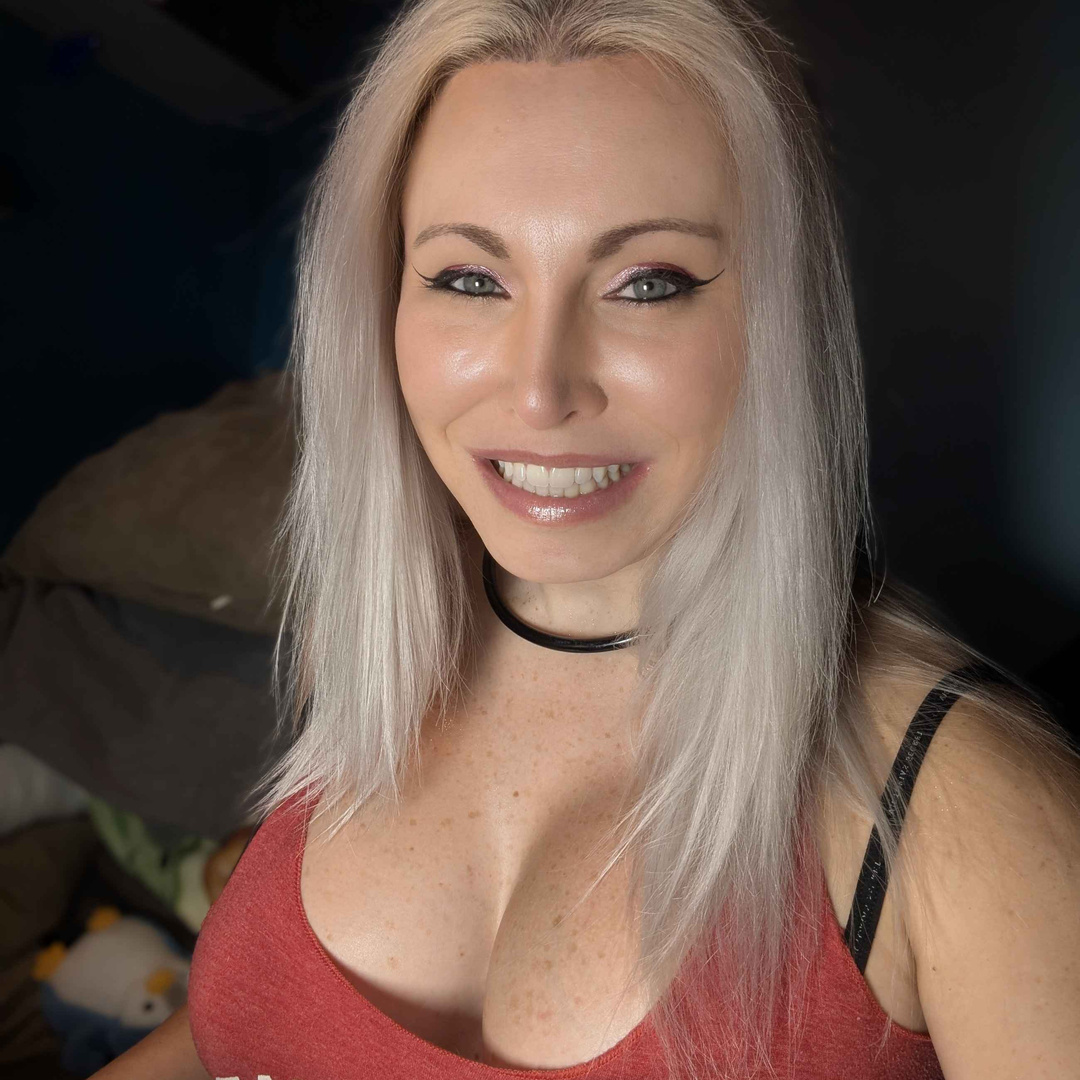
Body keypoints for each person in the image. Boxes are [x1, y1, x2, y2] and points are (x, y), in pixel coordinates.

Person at [93, 0, 1080, 1076]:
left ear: (777, 320)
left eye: (647, 283)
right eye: (470, 278)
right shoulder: (379, 643)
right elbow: (258, 1028)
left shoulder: (970, 816)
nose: (539, 389)